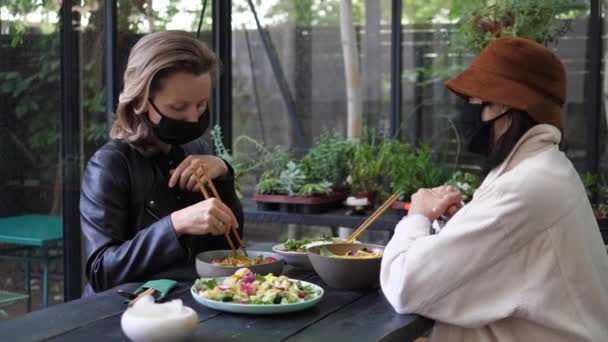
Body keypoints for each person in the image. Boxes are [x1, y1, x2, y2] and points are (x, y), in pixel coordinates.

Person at [380, 37, 608, 341]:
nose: (469, 112)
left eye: (476, 101)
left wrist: (417, 216)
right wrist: (461, 224)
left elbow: (406, 285)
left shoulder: (527, 185)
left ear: (507, 105)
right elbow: (509, 259)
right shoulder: (545, 168)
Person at [80, 31, 243, 295]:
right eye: (179, 107)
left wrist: (223, 174)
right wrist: (175, 225)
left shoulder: (197, 150)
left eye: (201, 105)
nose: (193, 118)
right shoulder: (110, 165)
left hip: (195, 306)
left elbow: (229, 249)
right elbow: (101, 272)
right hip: (125, 317)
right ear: (142, 101)